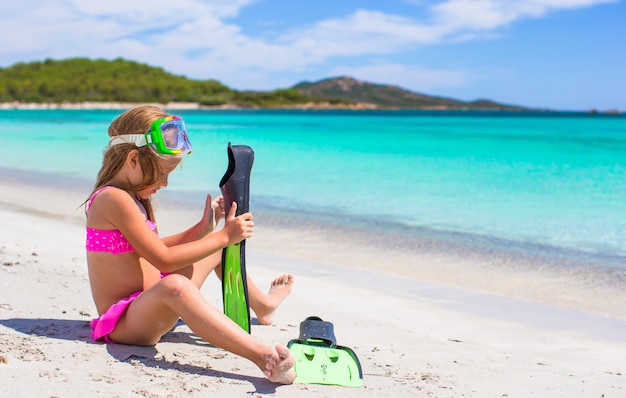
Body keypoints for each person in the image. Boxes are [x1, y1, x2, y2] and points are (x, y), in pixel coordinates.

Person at [84, 105, 295, 384]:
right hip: (126, 321)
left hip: (148, 303)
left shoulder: (131, 197)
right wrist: (223, 236)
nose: (166, 182)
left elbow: (149, 248)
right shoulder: (113, 199)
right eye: (162, 173)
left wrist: (203, 229)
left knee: (214, 250)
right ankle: (261, 356)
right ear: (133, 159)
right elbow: (163, 260)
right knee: (177, 285)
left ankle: (264, 306)